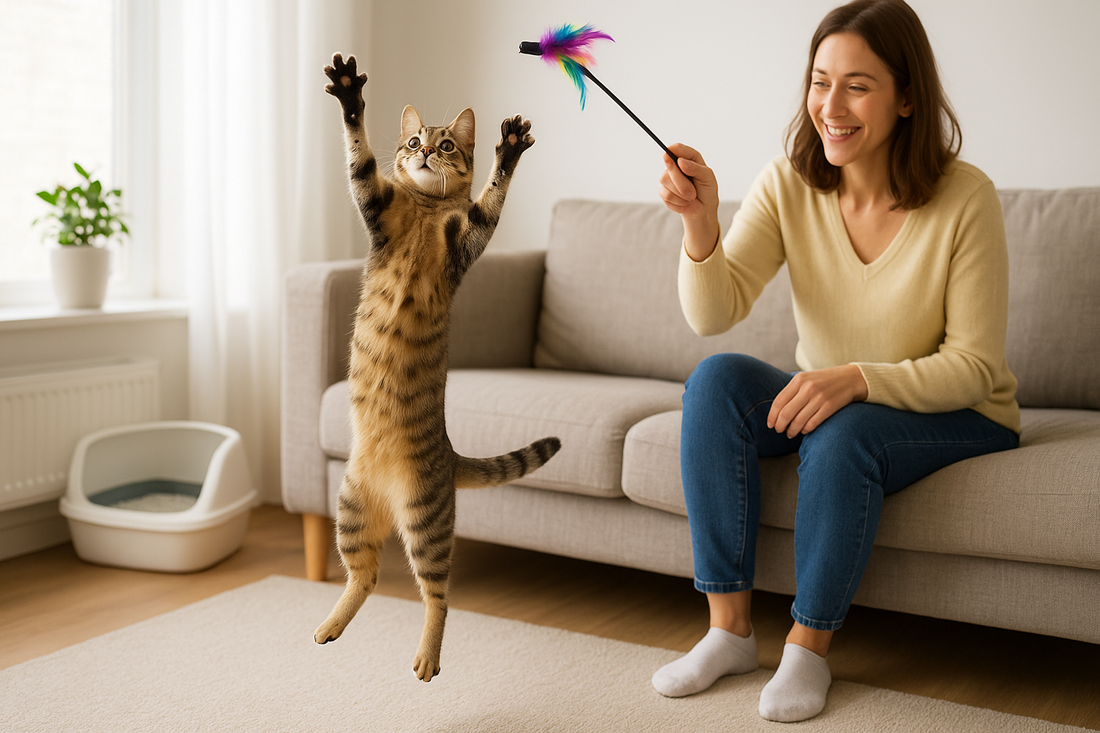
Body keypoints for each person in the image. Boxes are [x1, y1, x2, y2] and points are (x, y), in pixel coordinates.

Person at [651, 0, 1021, 722]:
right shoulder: (791, 182)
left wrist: (856, 379)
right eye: (820, 82)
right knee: (717, 380)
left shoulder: (965, 196)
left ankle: (807, 648)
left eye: (857, 84)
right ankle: (726, 629)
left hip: (963, 413)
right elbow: (712, 313)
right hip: (836, 401)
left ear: (907, 96)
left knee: (844, 431)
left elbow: (975, 365)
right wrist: (701, 225)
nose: (831, 106)